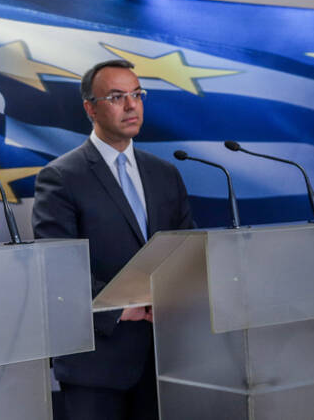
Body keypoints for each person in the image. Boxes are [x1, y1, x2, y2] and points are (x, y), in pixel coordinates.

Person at [32, 60, 194, 420]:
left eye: (137, 95)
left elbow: (185, 249)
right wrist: (119, 308)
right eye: (117, 97)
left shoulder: (165, 173)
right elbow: (57, 267)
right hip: (97, 364)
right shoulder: (61, 177)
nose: (131, 105)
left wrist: (175, 297)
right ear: (90, 108)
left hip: (164, 359)